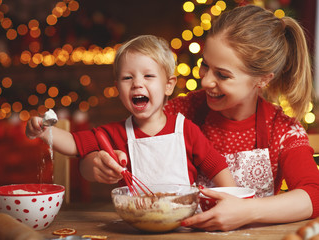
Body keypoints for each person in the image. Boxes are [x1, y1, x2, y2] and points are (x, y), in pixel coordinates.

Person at [80, 5, 319, 231]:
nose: (205, 81)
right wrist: (95, 165)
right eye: (205, 65)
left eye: (223, 75)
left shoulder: (281, 129)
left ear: (262, 79)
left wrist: (247, 211)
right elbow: (110, 145)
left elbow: (314, 194)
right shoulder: (179, 112)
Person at [26, 35, 236, 188]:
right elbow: (74, 144)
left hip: (183, 223)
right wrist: (44, 131)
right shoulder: (115, 134)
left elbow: (217, 168)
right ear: (118, 88)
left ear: (168, 86)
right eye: (128, 78)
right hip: (137, 224)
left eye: (148, 76)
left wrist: (233, 201)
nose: (137, 84)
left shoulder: (185, 130)